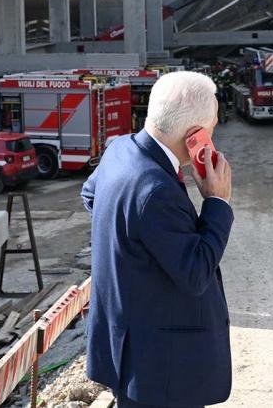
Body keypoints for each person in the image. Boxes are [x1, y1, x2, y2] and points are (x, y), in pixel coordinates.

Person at [81, 71, 235, 407]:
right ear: (196, 136)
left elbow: (91, 195)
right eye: (212, 128)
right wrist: (217, 202)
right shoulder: (156, 192)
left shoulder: (120, 149)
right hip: (161, 373)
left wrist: (134, 251)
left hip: (133, 353)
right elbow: (196, 272)